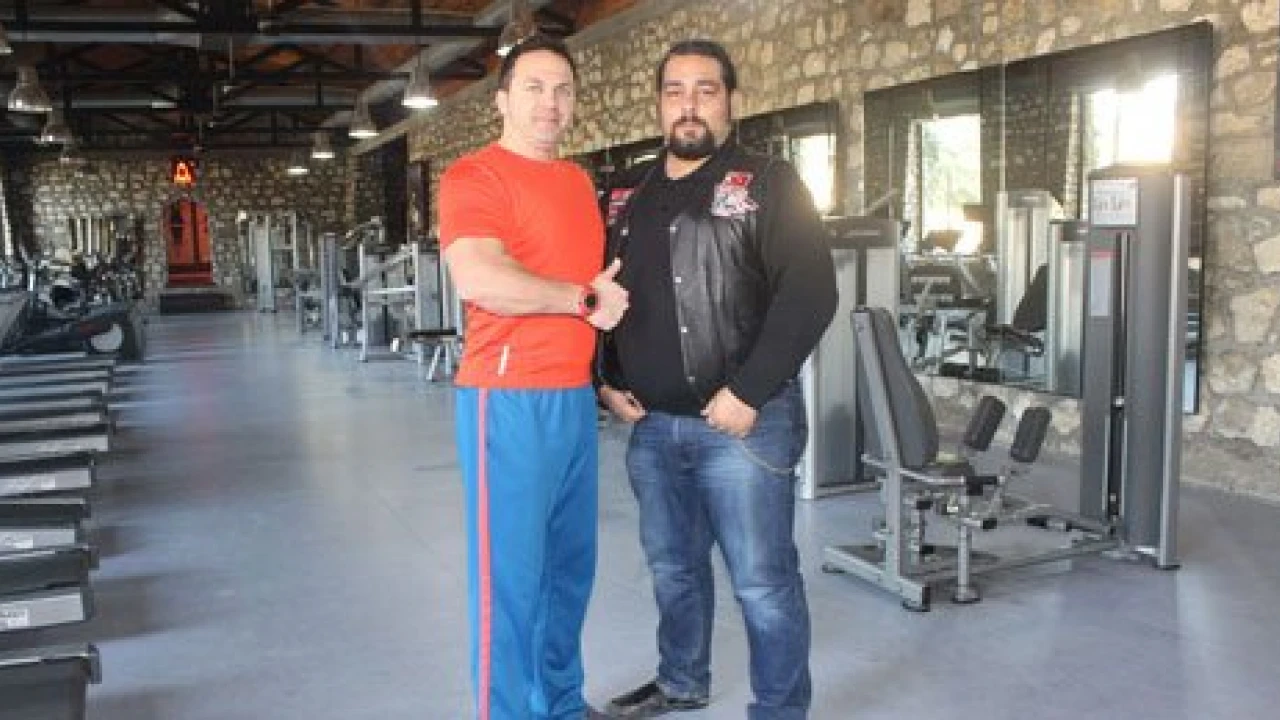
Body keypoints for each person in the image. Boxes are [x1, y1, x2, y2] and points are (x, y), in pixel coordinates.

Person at [597, 39, 838, 719]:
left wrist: (749, 390)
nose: (689, 104)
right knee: (673, 570)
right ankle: (681, 681)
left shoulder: (769, 183)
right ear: (659, 103)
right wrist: (604, 378)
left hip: (744, 426)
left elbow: (810, 293)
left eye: (706, 90)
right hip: (652, 429)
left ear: (731, 101)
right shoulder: (623, 192)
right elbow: (598, 292)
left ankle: (780, 710)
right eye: (675, 90)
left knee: (762, 582)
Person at [438, 34, 628, 720]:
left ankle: (562, 706)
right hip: (507, 400)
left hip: (573, 399)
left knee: (568, 574)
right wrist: (582, 300)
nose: (551, 102)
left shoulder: (576, 182)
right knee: (510, 585)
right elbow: (481, 277)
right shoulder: (474, 176)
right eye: (534, 87)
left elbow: (596, 288)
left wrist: (603, 377)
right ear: (502, 100)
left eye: (563, 89)